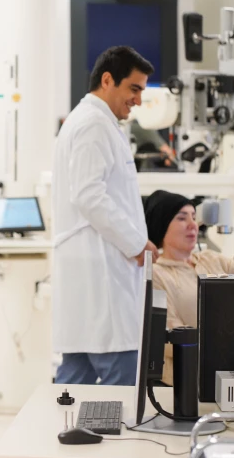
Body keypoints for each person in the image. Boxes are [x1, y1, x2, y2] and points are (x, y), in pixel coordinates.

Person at [52, 46, 159, 386]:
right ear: (108, 80)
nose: (138, 100)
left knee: (72, 386)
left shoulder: (94, 122)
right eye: (134, 89)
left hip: (93, 276)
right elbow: (89, 195)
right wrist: (136, 243)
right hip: (102, 275)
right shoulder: (93, 125)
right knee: (121, 387)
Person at [144, 190, 234, 385]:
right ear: (162, 225)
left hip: (230, 372)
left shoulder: (211, 259)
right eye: (182, 218)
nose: (193, 224)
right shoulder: (156, 274)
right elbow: (171, 339)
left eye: (193, 216)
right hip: (186, 383)